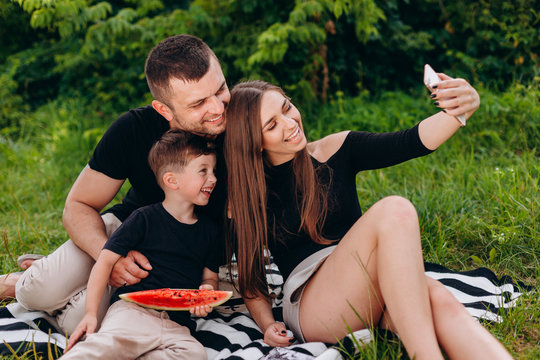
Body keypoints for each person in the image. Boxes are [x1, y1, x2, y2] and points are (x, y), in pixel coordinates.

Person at [224, 80, 513, 359]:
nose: (289, 123)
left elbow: (411, 141)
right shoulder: (249, 194)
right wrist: (266, 324)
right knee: (394, 210)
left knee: (440, 302)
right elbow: (251, 280)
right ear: (255, 143)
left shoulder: (336, 149)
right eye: (272, 125)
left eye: (287, 108)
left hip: (371, 284)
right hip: (315, 305)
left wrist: (460, 111)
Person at [0, 34, 230, 334]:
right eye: (199, 103)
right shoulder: (133, 129)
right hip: (127, 230)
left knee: (77, 321)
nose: (217, 108)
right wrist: (109, 255)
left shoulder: (244, 124)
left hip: (186, 255)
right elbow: (78, 206)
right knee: (38, 293)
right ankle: (20, 281)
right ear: (164, 110)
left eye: (221, 89)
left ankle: (57, 272)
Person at [63, 129, 219, 359]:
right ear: (171, 180)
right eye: (203, 171)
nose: (213, 178)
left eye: (214, 170)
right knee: (101, 349)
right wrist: (90, 314)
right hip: (132, 312)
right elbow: (104, 263)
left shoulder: (210, 230)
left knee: (195, 354)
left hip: (177, 323)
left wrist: (207, 291)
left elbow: (210, 277)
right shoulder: (144, 218)